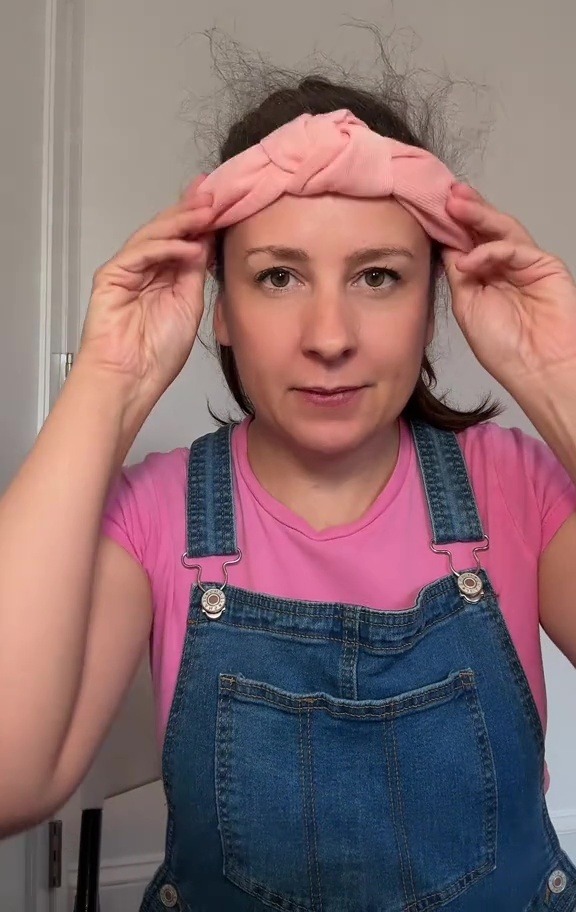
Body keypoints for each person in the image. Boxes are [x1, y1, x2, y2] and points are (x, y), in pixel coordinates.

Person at [1, 61, 576, 912]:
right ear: (219, 307)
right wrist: (109, 379)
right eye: (278, 276)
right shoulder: (153, 514)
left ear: (433, 301)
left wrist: (557, 371)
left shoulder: (516, 485)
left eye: (378, 276)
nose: (330, 336)